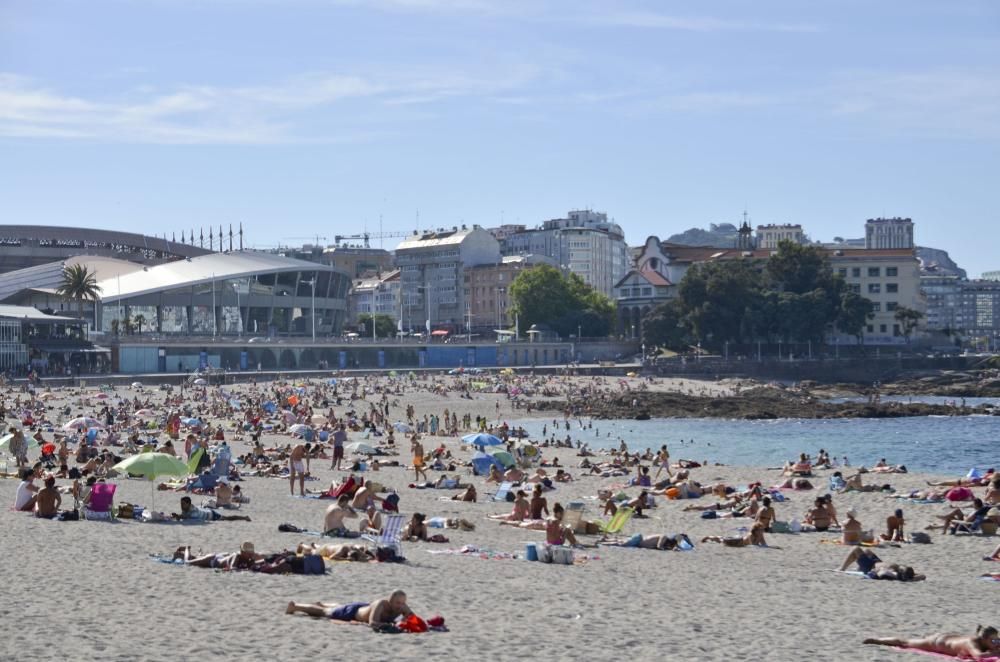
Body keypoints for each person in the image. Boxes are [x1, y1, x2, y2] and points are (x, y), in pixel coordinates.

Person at [285, 590, 413, 628]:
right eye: (397, 603)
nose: (400, 606)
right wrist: (390, 626)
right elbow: (373, 623)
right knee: (324, 613)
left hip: (363, 607)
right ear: (390, 601)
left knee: (336, 607)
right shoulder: (381, 604)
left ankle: (323, 603)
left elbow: (414, 619)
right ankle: (295, 606)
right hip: (352, 613)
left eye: (402, 603)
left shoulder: (402, 607)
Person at [863, 626, 999, 659]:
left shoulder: (985, 642)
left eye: (998, 639)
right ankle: (877, 640)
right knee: (904, 643)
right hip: (938, 642)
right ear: (984, 640)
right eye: (994, 640)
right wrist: (995, 652)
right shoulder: (972, 643)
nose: (997, 642)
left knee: (906, 642)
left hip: (950, 637)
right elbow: (979, 657)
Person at [174, 542, 263, 570]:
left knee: (197, 559)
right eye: (248, 553)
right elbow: (232, 567)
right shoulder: (237, 556)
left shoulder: (250, 557)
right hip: (212, 560)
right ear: (242, 552)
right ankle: (186, 549)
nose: (250, 555)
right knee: (188, 562)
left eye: (251, 553)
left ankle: (179, 555)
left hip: (221, 557)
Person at [172, 496, 251, 522]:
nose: (181, 505)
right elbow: (184, 515)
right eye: (181, 504)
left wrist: (179, 517)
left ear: (188, 504)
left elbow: (188, 518)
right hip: (205, 510)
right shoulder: (186, 507)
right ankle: (244, 517)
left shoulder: (193, 512)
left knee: (228, 518)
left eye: (183, 504)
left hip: (212, 515)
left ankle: (244, 517)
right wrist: (178, 516)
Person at [701, 522, 771, 548]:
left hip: (740, 543)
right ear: (756, 530)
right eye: (761, 530)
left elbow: (764, 545)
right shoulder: (751, 535)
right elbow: (753, 545)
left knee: (722, 539)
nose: (762, 531)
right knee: (722, 540)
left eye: (762, 530)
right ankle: (709, 537)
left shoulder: (760, 535)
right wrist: (759, 539)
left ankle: (710, 537)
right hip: (736, 541)